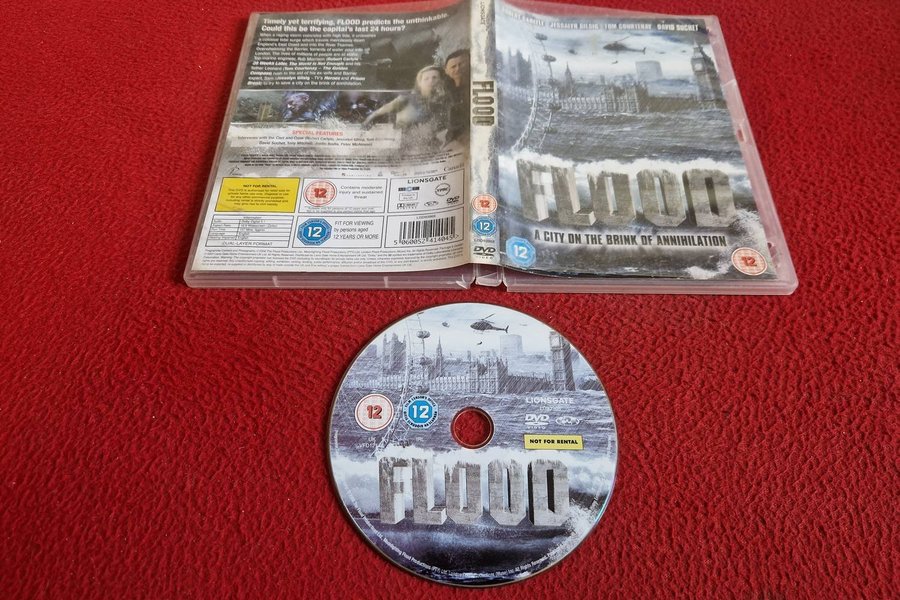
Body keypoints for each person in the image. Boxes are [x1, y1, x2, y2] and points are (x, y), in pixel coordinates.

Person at [362, 66, 451, 149]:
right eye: (426, 78)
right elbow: (377, 113)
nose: (431, 81)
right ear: (420, 83)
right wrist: (367, 123)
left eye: (434, 77)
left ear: (441, 81)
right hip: (403, 149)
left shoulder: (443, 104)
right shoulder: (406, 99)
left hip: (429, 149)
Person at [443, 49, 470, 143]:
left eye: (461, 64)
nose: (458, 69)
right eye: (453, 66)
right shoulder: (445, 91)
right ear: (446, 71)